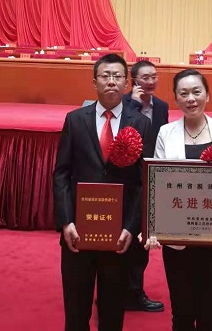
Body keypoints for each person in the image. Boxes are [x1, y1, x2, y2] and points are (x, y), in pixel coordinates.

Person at [53, 53, 152, 331]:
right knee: (76, 313)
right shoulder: (75, 120)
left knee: (112, 313)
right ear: (94, 82)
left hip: (119, 236)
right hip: (78, 233)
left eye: (117, 76)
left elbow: (142, 182)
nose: (111, 81)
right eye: (105, 76)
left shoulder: (140, 124)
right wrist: (66, 222)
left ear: (126, 83)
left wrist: (131, 227)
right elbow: (61, 174)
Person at [151, 68, 212, 331]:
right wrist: (153, 227)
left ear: (207, 95)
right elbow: (157, 184)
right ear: (176, 98)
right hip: (177, 239)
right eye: (183, 93)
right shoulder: (165, 133)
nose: (191, 98)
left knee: (210, 311)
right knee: (181, 312)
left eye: (196, 92)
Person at [122, 60, 168, 312]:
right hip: (126, 178)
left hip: (150, 177)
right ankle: (116, 290)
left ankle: (134, 291)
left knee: (142, 240)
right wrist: (133, 104)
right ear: (134, 81)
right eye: (145, 78)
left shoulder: (161, 106)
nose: (151, 82)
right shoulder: (124, 104)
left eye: (154, 77)